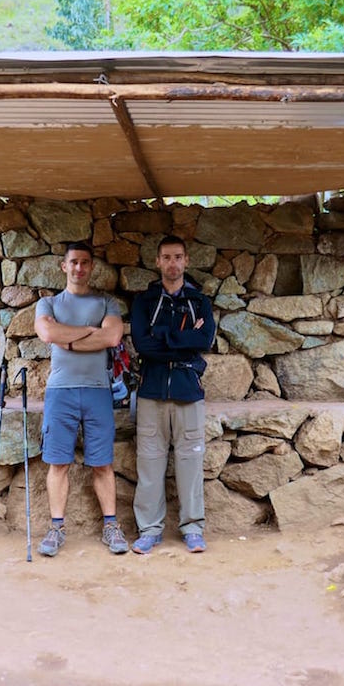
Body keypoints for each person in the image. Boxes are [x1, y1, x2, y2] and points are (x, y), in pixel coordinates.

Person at [33, 241, 129, 556]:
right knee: (58, 462)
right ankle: (57, 528)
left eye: (85, 262)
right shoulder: (48, 304)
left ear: (91, 267)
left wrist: (68, 338)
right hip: (60, 392)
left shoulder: (106, 303)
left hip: (98, 391)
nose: (79, 268)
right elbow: (47, 334)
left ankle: (111, 527)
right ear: (64, 266)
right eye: (73, 262)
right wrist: (89, 333)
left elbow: (112, 337)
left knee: (103, 463)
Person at [130, 235, 215, 554]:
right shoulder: (144, 302)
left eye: (178, 257)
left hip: (187, 392)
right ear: (157, 261)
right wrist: (183, 340)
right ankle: (149, 529)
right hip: (152, 391)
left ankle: (193, 528)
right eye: (166, 257)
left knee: (190, 462)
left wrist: (163, 338)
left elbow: (204, 340)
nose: (173, 263)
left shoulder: (200, 302)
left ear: (187, 261)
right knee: (149, 462)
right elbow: (142, 344)